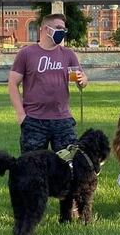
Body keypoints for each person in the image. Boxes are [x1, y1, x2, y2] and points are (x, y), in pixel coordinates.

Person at [8, 13, 88, 153]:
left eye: (64, 29)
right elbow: (13, 83)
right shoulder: (26, 53)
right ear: (46, 29)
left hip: (63, 119)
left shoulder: (68, 54)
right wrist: (21, 114)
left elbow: (82, 80)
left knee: (68, 164)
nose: (62, 32)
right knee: (32, 166)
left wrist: (83, 80)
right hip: (34, 120)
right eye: (58, 27)